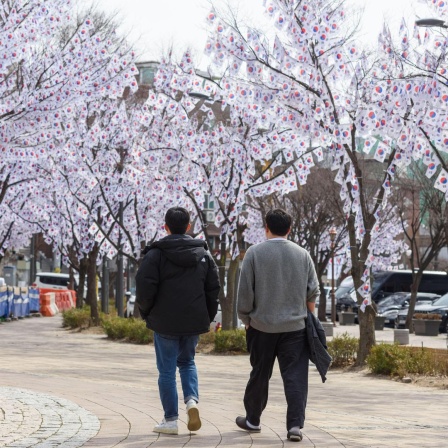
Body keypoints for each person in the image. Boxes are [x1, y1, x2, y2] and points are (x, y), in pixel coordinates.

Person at [236, 208, 320, 442]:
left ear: (266, 227)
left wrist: (246, 320)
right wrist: (308, 318)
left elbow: (244, 294)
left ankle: (253, 420)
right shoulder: (302, 254)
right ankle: (294, 426)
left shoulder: (254, 253)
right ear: (290, 229)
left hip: (261, 326)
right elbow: (313, 291)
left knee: (260, 374)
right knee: (295, 377)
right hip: (295, 328)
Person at [136, 207, 220, 435]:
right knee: (187, 362)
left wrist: (148, 313)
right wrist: (208, 317)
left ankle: (171, 420)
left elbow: (144, 289)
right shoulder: (203, 254)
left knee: (166, 371)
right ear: (189, 227)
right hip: (193, 320)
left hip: (164, 322)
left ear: (165, 226)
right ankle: (192, 401)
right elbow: (213, 289)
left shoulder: (156, 254)